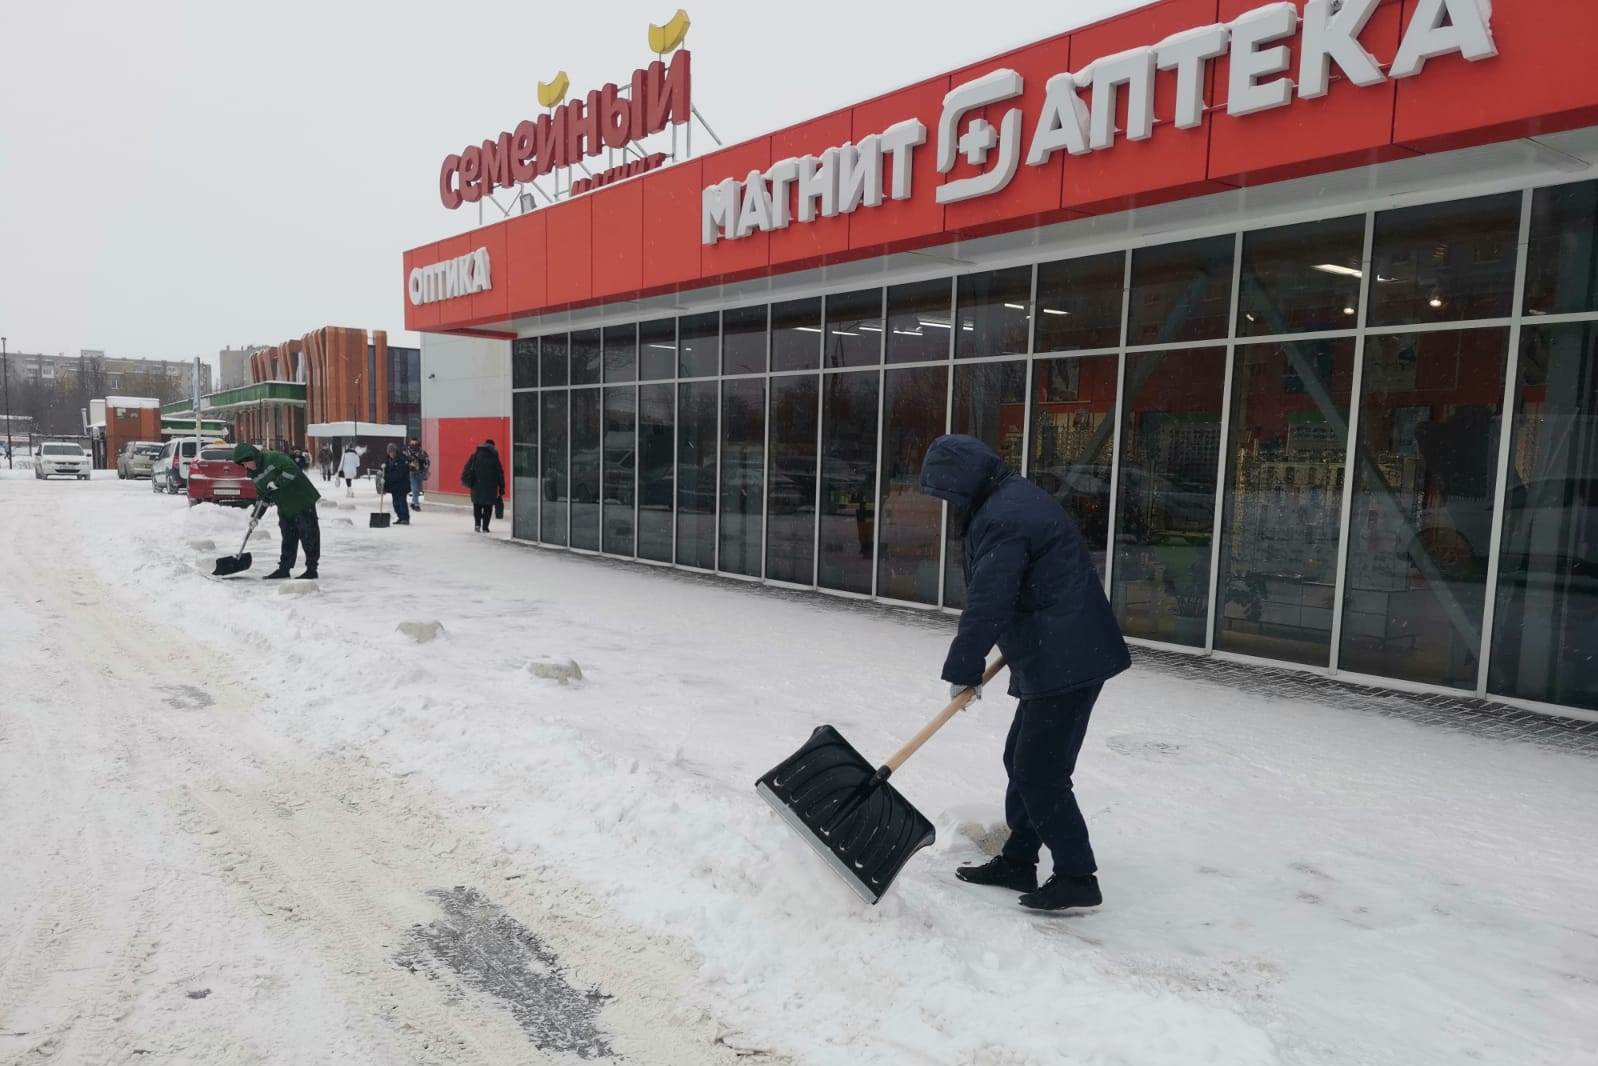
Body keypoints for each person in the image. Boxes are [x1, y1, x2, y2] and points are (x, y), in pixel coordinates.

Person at [919, 434, 1130, 913]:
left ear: (963, 483)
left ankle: (1077, 875)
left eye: (947, 494)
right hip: (1059, 650)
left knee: (1040, 771)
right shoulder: (1010, 499)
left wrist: (964, 665)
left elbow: (991, 600)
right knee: (1023, 759)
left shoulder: (1003, 517)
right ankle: (1018, 859)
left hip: (1066, 658)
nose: (947, 506)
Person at [233, 442, 321, 580]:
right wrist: (256, 516)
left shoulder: (273, 458)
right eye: (242, 464)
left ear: (253, 456)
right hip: (284, 505)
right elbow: (263, 496)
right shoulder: (254, 474)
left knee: (308, 534)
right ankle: (284, 568)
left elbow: (293, 470)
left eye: (246, 462)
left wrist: (277, 483)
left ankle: (311, 569)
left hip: (301, 498)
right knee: (288, 536)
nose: (245, 466)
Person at [460, 438, 505, 533]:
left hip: (476, 486)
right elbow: (500, 473)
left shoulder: (475, 456)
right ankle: (485, 527)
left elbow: (467, 469)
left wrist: (468, 481)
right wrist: (501, 487)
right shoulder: (494, 458)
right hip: (490, 488)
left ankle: (477, 524)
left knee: (477, 506)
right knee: (488, 508)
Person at [380, 442, 411, 525]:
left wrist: (386, 477)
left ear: (395, 451)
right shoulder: (388, 461)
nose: (391, 453)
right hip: (394, 487)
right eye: (390, 452)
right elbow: (386, 472)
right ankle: (400, 517)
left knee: (401, 502)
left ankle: (405, 518)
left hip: (402, 485)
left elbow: (398, 474)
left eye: (393, 451)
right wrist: (383, 478)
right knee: (395, 503)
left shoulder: (401, 460)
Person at [403, 438, 430, 511]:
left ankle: (413, 502)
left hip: (420, 472)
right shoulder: (407, 452)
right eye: (412, 444)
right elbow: (404, 461)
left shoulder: (422, 452)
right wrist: (410, 464)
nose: (414, 446)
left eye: (415, 444)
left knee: (418, 489)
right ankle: (416, 505)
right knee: (415, 489)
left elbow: (427, 461)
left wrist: (425, 468)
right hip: (412, 473)